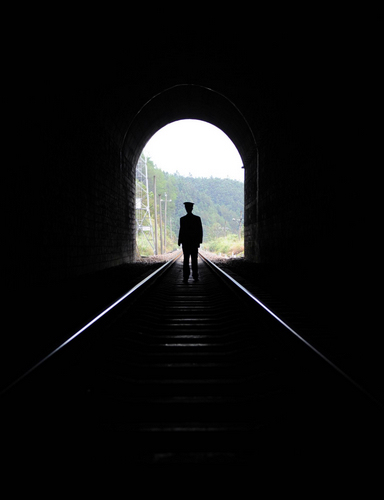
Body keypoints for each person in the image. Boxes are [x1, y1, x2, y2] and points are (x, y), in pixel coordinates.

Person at [178, 202, 203, 283]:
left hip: (186, 243)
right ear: (192, 208)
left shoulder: (182, 219)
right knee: (194, 260)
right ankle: (195, 276)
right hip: (194, 243)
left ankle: (186, 277)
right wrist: (199, 241)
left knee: (186, 260)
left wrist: (180, 241)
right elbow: (200, 231)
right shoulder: (197, 219)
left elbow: (181, 231)